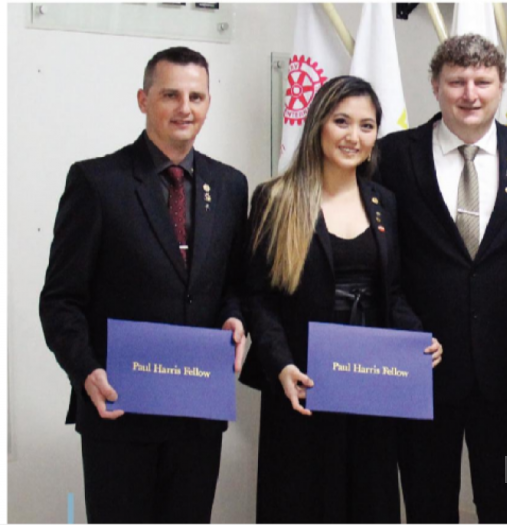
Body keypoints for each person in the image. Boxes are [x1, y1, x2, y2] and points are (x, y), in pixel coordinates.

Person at [38, 46, 248, 523]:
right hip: (118, 412)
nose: (185, 108)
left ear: (209, 102)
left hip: (197, 414)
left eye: (196, 96)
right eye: (170, 94)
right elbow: (61, 300)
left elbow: (235, 283)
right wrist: (85, 369)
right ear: (143, 99)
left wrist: (235, 317)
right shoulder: (96, 181)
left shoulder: (231, 185)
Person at [238, 75, 442, 523]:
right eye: (342, 121)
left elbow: (391, 293)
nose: (354, 136)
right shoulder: (276, 199)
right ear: (318, 125)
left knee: (369, 502)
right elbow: (258, 298)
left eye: (366, 126)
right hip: (303, 383)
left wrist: (419, 338)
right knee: (301, 503)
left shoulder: (384, 201)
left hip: (372, 382)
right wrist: (280, 364)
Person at [376, 34, 507, 523]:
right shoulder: (391, 155)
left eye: (483, 81)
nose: (470, 94)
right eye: (457, 81)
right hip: (421, 366)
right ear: (435, 86)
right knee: (427, 508)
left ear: (501, 87)